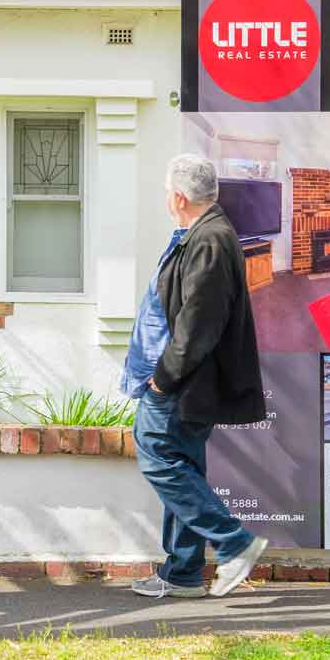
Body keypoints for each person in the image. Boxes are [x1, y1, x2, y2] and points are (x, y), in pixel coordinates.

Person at [121, 155, 269, 600]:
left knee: (157, 453)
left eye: (167, 191)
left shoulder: (209, 240)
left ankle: (234, 542)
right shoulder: (204, 234)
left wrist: (163, 378)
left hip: (182, 380)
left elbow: (197, 323)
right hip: (187, 379)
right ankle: (183, 571)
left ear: (179, 197)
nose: (166, 198)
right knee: (182, 466)